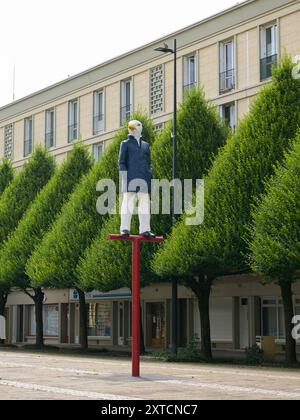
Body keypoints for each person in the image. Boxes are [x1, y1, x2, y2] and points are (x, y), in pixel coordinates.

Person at [119, 120, 156, 238]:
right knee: (127, 204)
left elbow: (148, 163)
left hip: (144, 179)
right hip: (130, 178)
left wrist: (150, 177)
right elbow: (122, 163)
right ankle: (124, 229)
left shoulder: (146, 145)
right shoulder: (125, 143)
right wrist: (125, 178)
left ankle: (145, 229)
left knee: (145, 205)